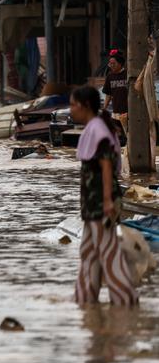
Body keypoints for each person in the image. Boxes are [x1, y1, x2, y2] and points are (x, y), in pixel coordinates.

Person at [71, 85, 138, 306]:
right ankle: (85, 299)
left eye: (74, 105)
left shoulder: (99, 130)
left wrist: (108, 200)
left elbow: (107, 166)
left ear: (86, 106)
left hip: (102, 202)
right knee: (88, 252)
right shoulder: (94, 127)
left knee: (109, 253)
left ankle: (126, 301)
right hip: (92, 204)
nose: (71, 110)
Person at [103, 50, 129, 137]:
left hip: (128, 113)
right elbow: (108, 94)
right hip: (115, 114)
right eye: (110, 64)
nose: (111, 66)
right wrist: (104, 108)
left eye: (113, 63)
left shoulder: (128, 75)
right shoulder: (110, 76)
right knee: (116, 137)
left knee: (129, 137)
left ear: (120, 63)